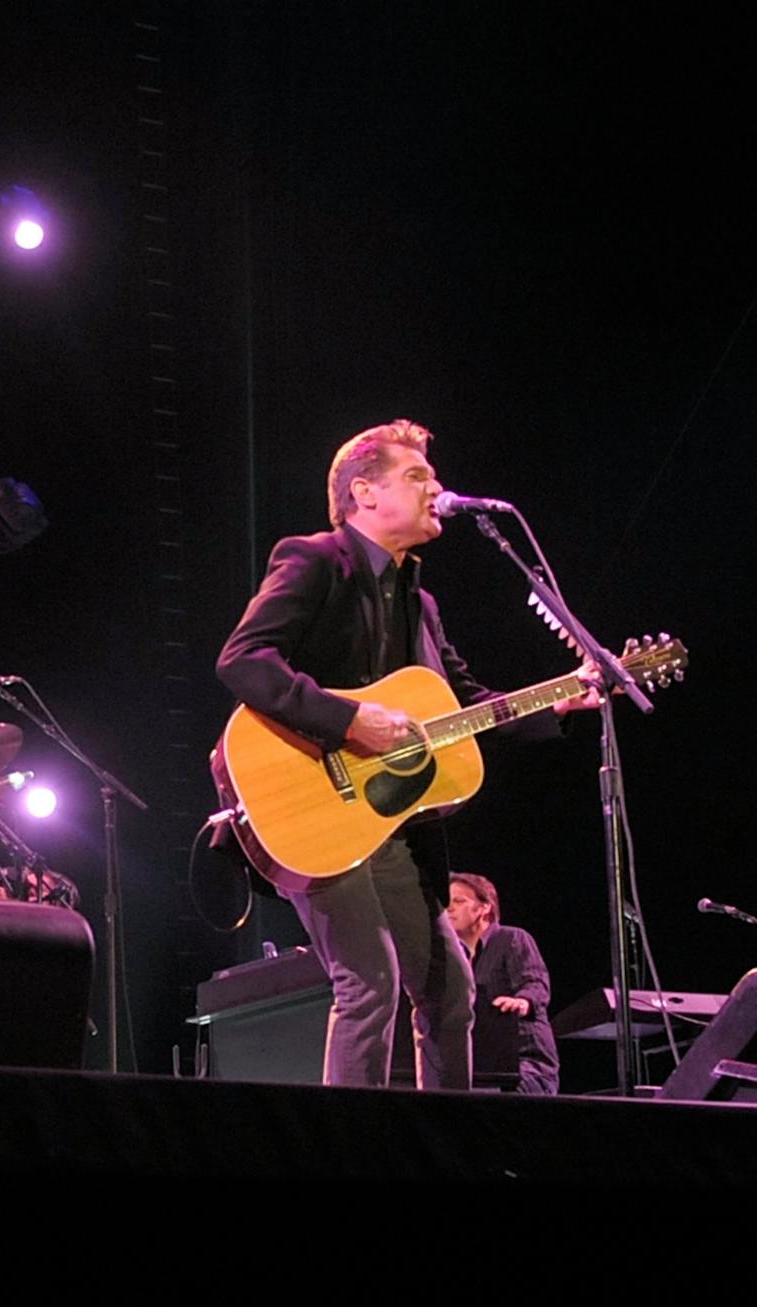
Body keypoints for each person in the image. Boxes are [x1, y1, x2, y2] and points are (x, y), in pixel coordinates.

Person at [216, 419, 591, 1090]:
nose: (437, 487)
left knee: (450, 993)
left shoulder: (420, 604)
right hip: (307, 804)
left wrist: (557, 703)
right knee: (371, 984)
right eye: (417, 476)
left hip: (387, 823)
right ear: (363, 491)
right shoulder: (312, 559)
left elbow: (468, 704)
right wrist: (350, 719)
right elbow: (243, 661)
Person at [446, 873, 559, 1094]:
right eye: (446, 902)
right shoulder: (452, 957)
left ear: (484, 908)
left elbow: (535, 983)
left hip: (524, 1065)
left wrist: (522, 1001)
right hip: (480, 1068)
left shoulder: (512, 938)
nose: (448, 909)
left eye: (458, 901)